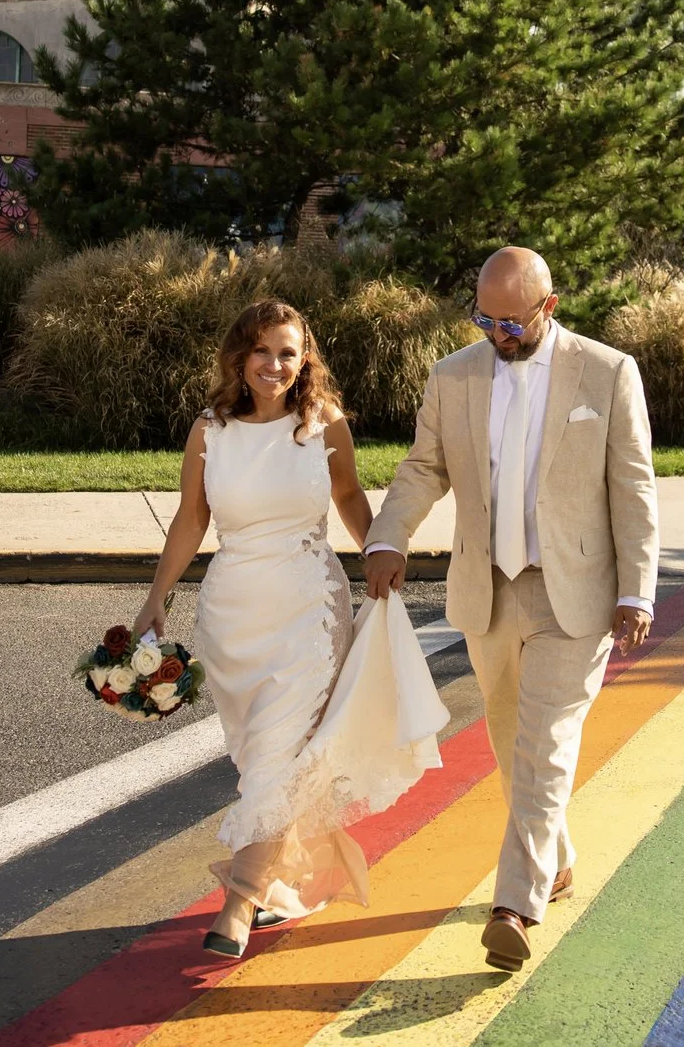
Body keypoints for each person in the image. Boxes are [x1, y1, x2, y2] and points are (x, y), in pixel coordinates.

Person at [364, 246, 661, 973]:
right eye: (484, 318)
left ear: (547, 307)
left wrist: (636, 590)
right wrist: (386, 536)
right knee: (510, 744)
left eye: (511, 321)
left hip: (577, 593)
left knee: (546, 744)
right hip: (486, 589)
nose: (497, 332)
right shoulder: (453, 375)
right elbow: (422, 469)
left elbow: (634, 487)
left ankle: (514, 905)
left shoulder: (608, 371)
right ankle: (553, 858)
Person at [134, 298, 441, 960]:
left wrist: (380, 550)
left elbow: (351, 497)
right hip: (232, 618)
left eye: (288, 352)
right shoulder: (210, 430)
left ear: (305, 360)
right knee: (261, 760)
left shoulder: (322, 423)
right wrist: (156, 597)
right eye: (263, 350)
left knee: (280, 753)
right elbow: (191, 519)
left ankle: (239, 901)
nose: (275, 363)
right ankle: (273, 884)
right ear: (240, 357)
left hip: (310, 608)